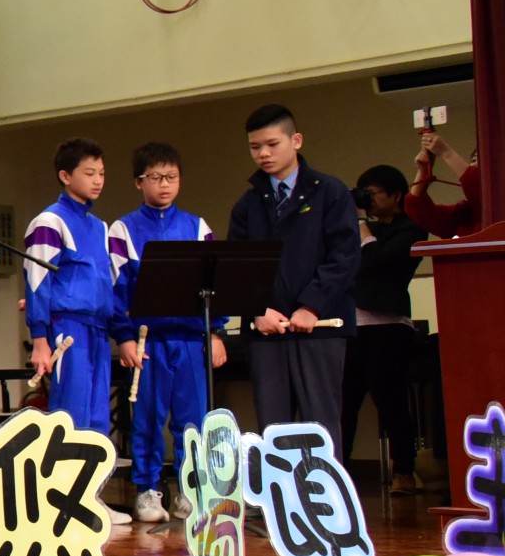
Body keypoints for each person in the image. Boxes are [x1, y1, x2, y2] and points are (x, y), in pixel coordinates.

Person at [226, 104, 360, 445]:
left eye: (272, 144)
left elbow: (344, 257)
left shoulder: (330, 192)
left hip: (320, 326)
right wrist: (257, 309)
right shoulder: (247, 204)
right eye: (255, 147)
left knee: (321, 427)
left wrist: (312, 305)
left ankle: (324, 484)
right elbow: (238, 266)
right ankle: (276, 484)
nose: (263, 154)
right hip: (265, 330)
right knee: (274, 430)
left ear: (296, 140)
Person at [105, 144, 223, 522]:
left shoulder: (197, 226)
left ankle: (191, 489)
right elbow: (115, 290)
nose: (164, 185)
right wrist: (124, 336)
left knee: (193, 421)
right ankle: (147, 490)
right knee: (147, 420)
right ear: (138, 182)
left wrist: (216, 333)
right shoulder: (123, 229)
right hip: (147, 341)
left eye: (171, 177)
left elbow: (214, 285)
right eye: (155, 177)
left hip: (190, 340)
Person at [25, 140, 121, 505]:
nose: (98, 181)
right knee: (72, 411)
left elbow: (107, 283)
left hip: (97, 328)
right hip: (67, 328)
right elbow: (37, 280)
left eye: (102, 174)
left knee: (97, 416)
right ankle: (63, 498)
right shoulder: (49, 221)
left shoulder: (99, 226)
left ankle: (90, 496)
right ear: (65, 176)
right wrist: (39, 338)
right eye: (89, 173)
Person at [343, 164, 427, 491]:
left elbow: (377, 260)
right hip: (352, 325)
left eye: (374, 194)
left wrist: (361, 223)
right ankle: (339, 474)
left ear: (396, 195)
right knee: (344, 405)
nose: (368, 200)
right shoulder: (360, 228)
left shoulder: (411, 228)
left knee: (391, 403)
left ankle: (404, 471)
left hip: (389, 327)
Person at [408, 130, 484, 238]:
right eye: (474, 160)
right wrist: (423, 171)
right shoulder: (465, 214)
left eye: (482, 161)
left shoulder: (496, 207)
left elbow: (482, 191)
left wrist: (447, 153)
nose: (474, 165)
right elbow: (420, 210)